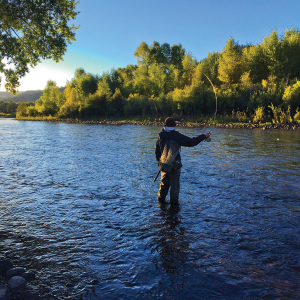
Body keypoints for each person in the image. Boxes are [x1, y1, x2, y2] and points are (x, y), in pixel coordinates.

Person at [155, 117, 211, 206]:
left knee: (163, 185)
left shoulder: (160, 135)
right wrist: (204, 136)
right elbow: (191, 142)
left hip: (164, 165)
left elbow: (157, 151)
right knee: (174, 186)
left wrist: (160, 162)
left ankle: (160, 205)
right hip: (174, 166)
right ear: (174, 125)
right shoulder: (176, 136)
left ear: (164, 125)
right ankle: (174, 206)